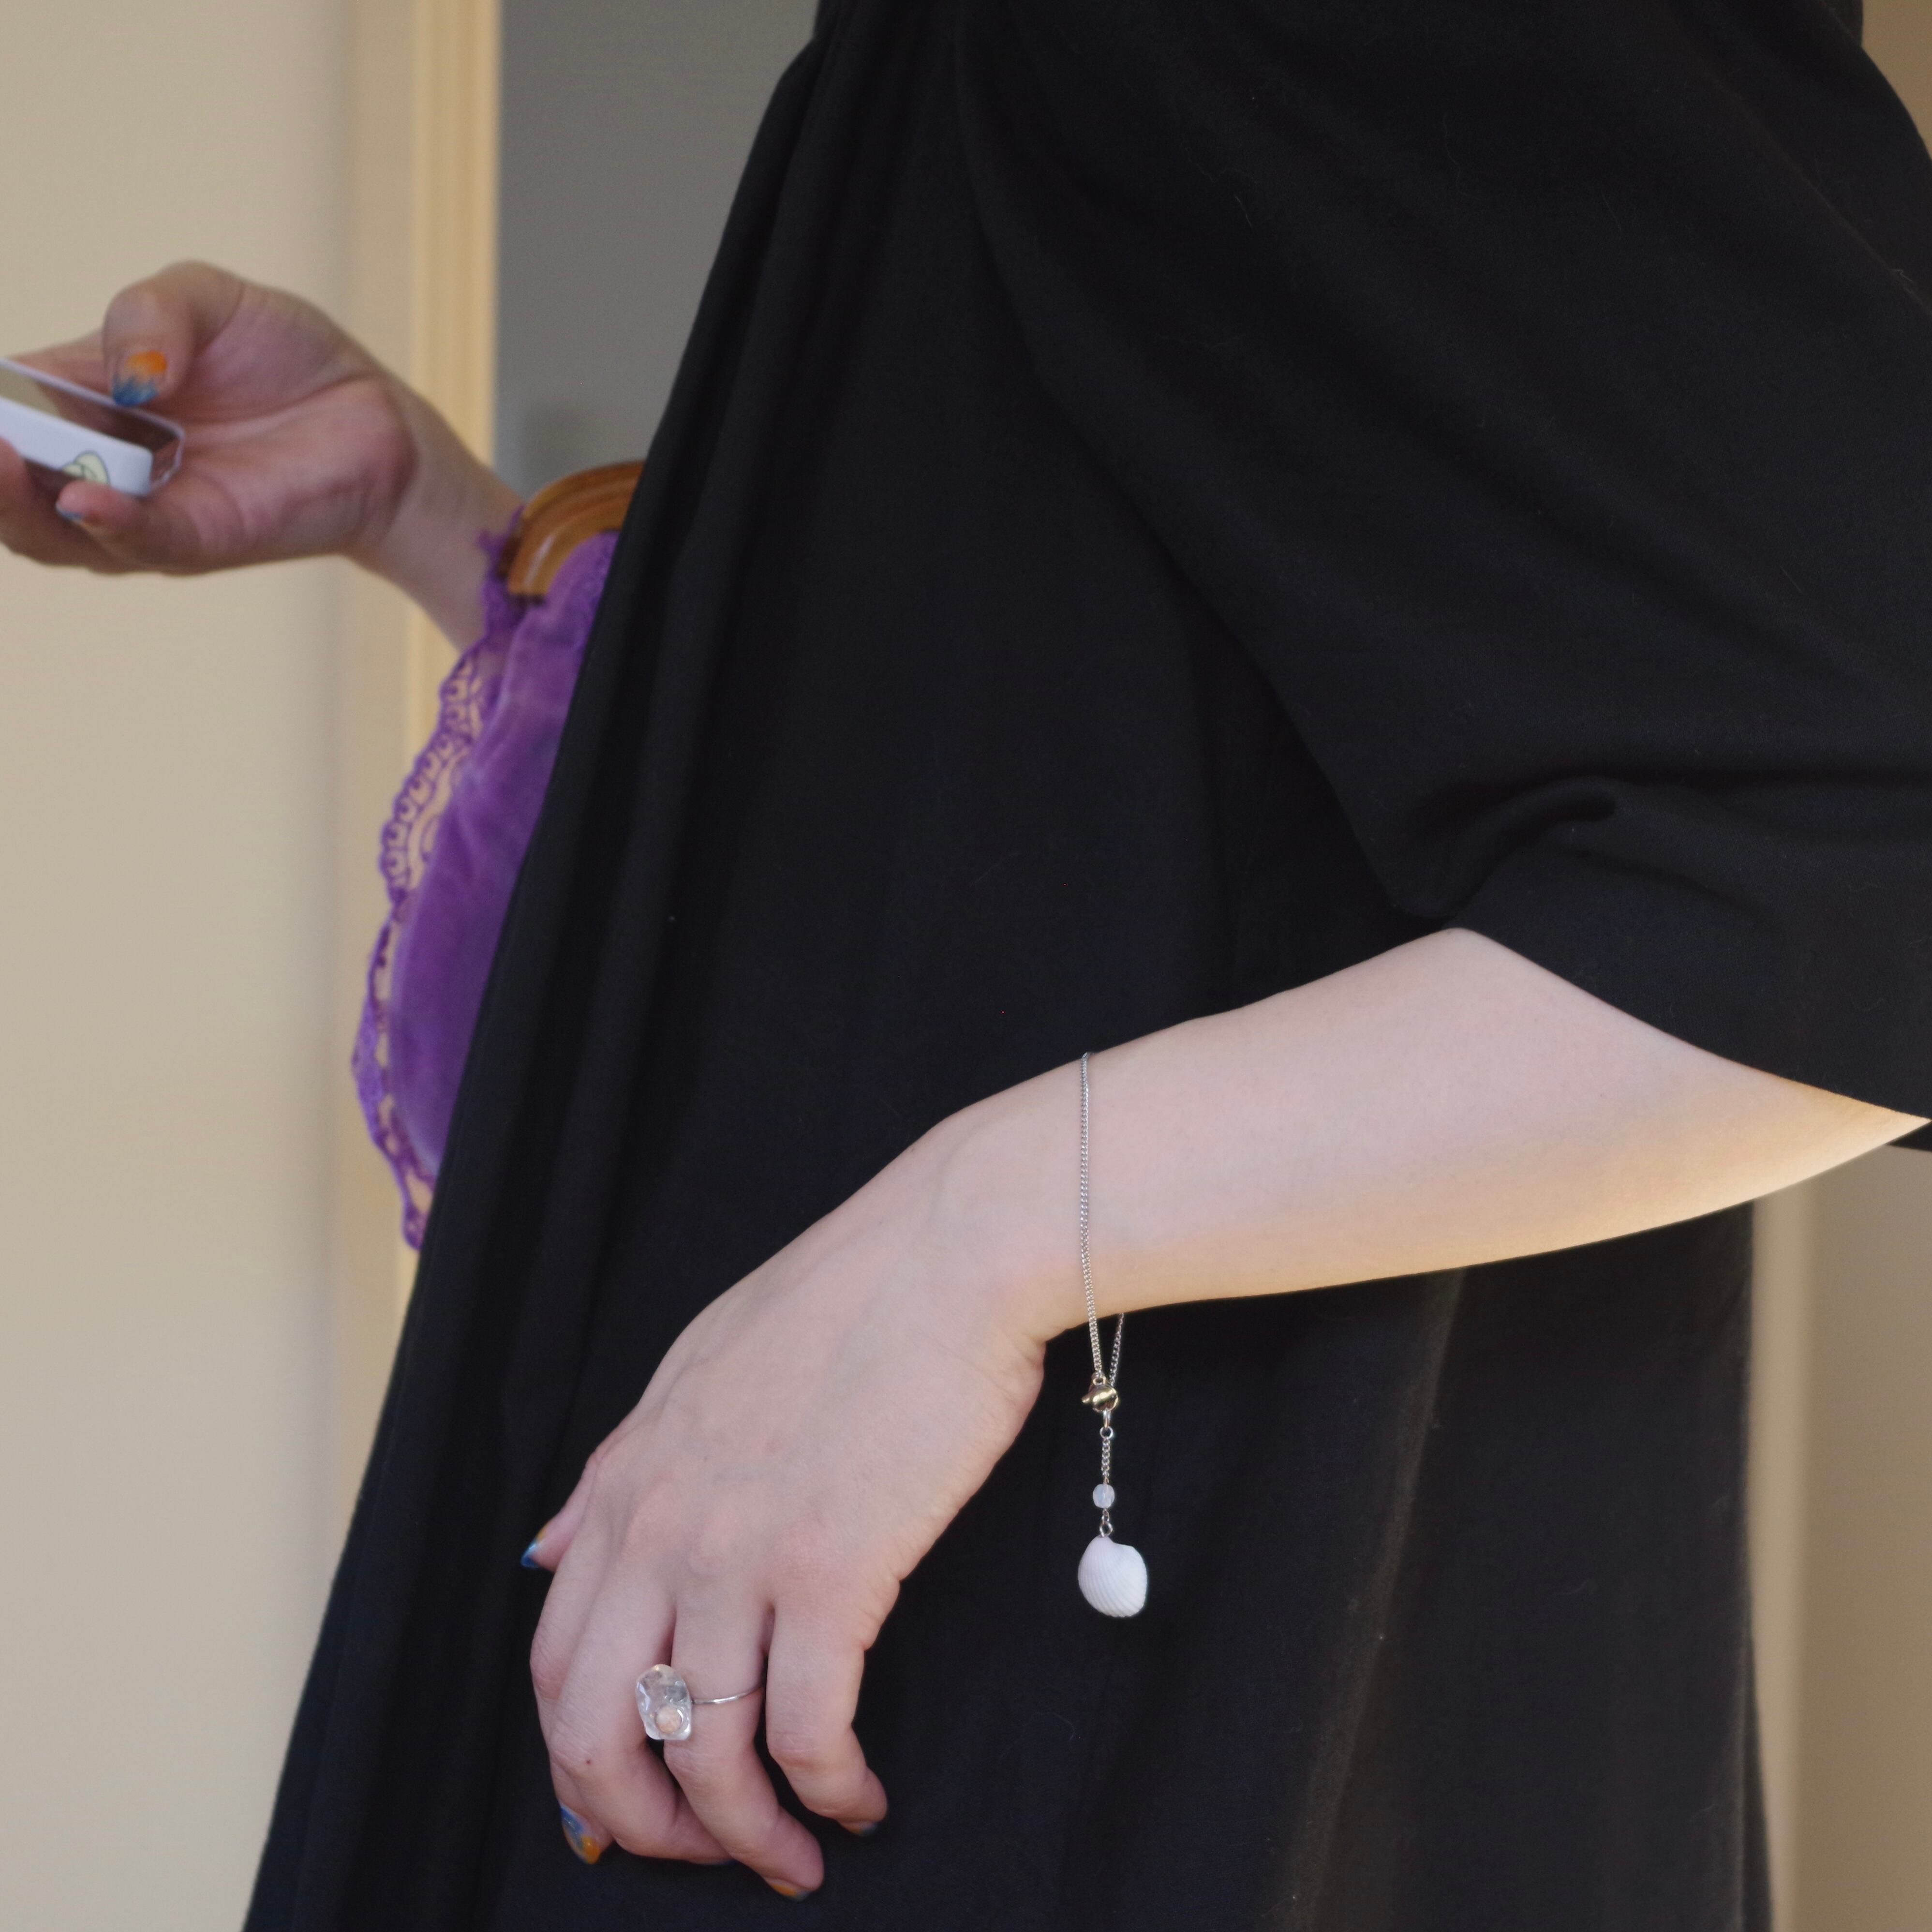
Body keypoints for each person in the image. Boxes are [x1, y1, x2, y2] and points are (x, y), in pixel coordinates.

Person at [6, 0, 1932, 1925]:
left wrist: (965, 1248)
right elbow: (973, 868)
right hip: (816, 1711)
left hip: (1042, 1744)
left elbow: (1873, 865)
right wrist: (435, 515)